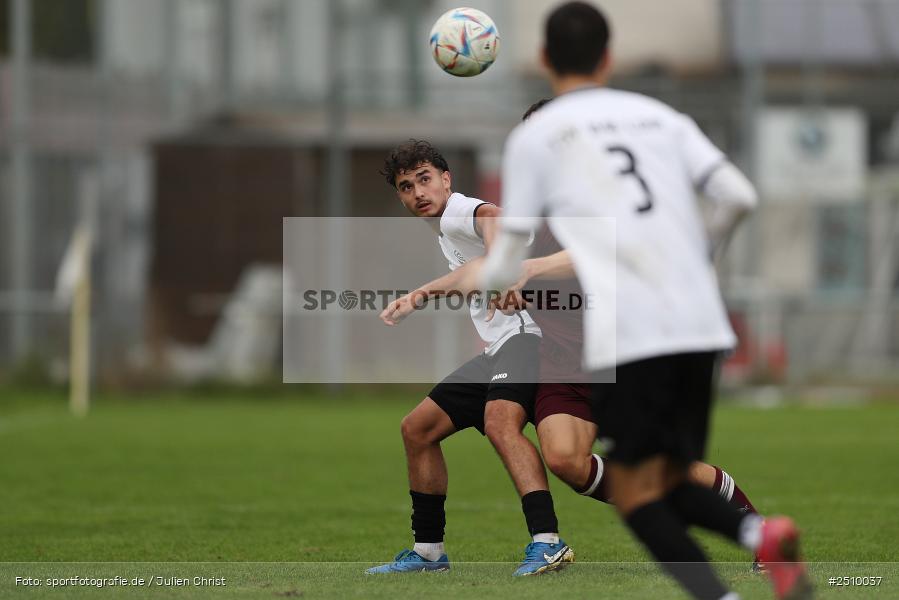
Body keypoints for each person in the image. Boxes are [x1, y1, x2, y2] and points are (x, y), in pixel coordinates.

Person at [479, 3, 811, 599]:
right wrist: (697, 254)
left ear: (543, 60)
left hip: (632, 329)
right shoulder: (659, 116)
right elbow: (737, 194)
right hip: (701, 323)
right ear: (608, 58)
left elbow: (510, 246)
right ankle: (758, 532)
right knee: (663, 480)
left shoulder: (540, 135)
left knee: (636, 493)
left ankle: (745, 554)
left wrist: (499, 280)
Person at [364, 140, 573, 576]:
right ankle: (428, 553)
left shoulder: (461, 210)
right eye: (406, 186)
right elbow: (469, 274)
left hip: (526, 335)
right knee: (418, 429)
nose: (418, 192)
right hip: (502, 344)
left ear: (446, 180)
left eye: (425, 179)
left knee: (501, 422)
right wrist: (420, 295)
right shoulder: (446, 229)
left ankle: (547, 541)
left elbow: (494, 218)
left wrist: (503, 267)